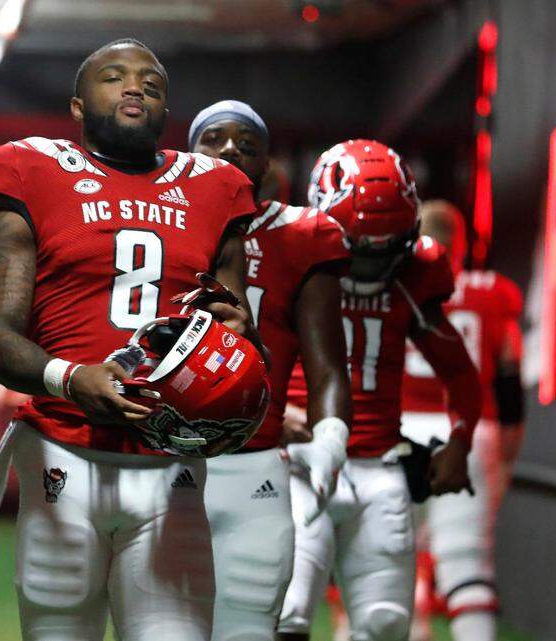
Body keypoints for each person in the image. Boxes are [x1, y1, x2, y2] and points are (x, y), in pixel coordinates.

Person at [0, 39, 258, 641]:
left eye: (152, 84)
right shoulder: (30, 170)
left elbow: (237, 331)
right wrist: (71, 378)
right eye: (115, 77)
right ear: (77, 106)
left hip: (171, 462)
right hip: (63, 455)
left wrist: (235, 348)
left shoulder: (217, 186)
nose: (135, 88)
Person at [277, 140, 482, 641]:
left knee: (386, 622)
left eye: (389, 247)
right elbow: (243, 356)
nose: (373, 264)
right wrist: (274, 411)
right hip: (298, 464)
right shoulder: (288, 259)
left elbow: (459, 372)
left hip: (379, 467)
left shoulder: (416, 276)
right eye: (361, 247)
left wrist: (460, 442)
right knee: (285, 612)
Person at [187, 100, 352, 641]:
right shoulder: (156, 221)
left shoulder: (301, 236)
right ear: (187, 152)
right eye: (214, 139)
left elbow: (327, 362)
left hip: (253, 460)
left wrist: (330, 439)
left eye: (247, 144)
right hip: (159, 462)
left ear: (267, 167)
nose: (230, 149)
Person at [400, 200, 524, 641]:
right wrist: (507, 455)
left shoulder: (394, 286)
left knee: (393, 561)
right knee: (466, 562)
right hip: (469, 434)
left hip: (399, 433)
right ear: (464, 242)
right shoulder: (494, 292)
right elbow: (510, 382)